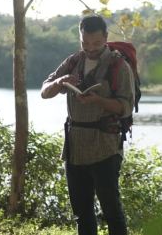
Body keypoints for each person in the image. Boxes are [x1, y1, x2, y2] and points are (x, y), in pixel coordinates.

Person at [41, 14, 134, 235]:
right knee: (82, 213)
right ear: (80, 38)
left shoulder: (118, 66)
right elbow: (45, 91)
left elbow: (125, 107)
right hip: (75, 147)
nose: (90, 48)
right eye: (85, 43)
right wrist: (59, 82)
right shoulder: (73, 61)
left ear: (106, 38)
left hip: (105, 146)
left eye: (96, 43)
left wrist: (99, 100)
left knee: (112, 212)